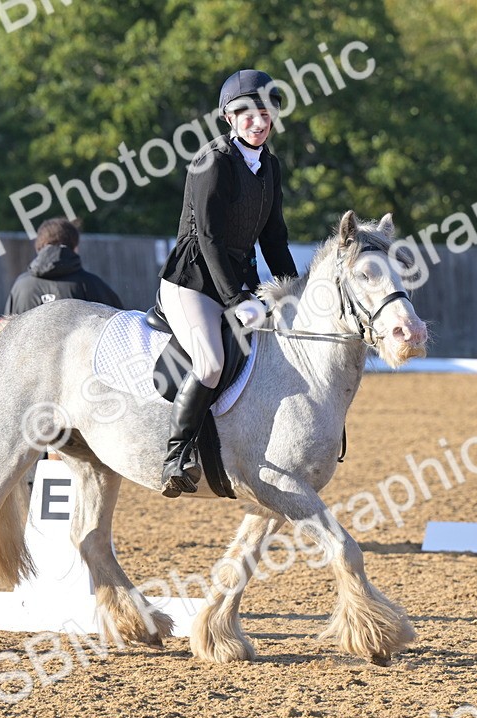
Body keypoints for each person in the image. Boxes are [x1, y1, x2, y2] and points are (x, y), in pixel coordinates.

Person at [156, 69, 300, 498]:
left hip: (237, 279)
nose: (258, 122)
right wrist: (237, 299)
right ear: (229, 118)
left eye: (265, 114)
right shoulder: (213, 161)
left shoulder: (269, 166)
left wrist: (294, 291)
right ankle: (176, 455)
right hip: (193, 280)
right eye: (247, 114)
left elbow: (274, 238)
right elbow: (210, 239)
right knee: (211, 364)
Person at [4, 217, 123, 314]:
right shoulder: (92, 285)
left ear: (38, 248)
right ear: (75, 247)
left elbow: (4, 332)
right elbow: (120, 327)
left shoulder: (20, 287)